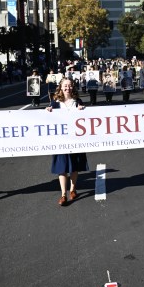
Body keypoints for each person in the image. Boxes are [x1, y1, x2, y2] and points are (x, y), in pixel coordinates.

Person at [46, 78, 89, 206]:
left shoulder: (77, 101)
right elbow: (47, 118)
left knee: (74, 166)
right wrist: (47, 111)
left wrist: (83, 109)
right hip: (61, 140)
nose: (67, 88)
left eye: (70, 86)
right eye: (65, 86)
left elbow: (85, 118)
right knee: (62, 167)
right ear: (61, 87)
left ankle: (73, 189)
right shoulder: (55, 103)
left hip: (75, 139)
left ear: (73, 87)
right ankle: (63, 194)